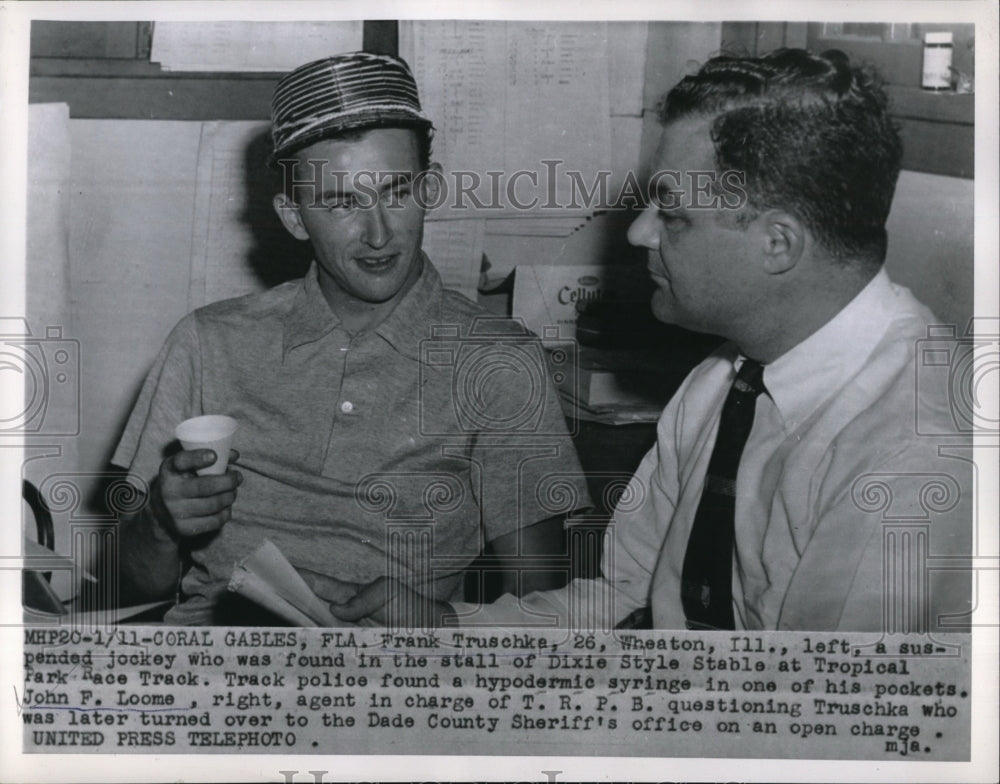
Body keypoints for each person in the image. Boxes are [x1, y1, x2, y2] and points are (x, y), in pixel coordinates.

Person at [332, 48, 973, 632]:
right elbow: (624, 601)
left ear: (778, 243)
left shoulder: (913, 454)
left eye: (670, 212)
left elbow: (822, 738)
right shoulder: (725, 379)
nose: (639, 234)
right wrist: (447, 631)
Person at [111, 52, 590, 624]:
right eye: (342, 202)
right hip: (212, 669)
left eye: (396, 192)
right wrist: (161, 524)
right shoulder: (207, 342)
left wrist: (433, 621)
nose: (380, 233)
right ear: (293, 216)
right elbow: (131, 580)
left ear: (429, 188)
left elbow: (544, 617)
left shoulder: (499, 360)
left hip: (390, 684)